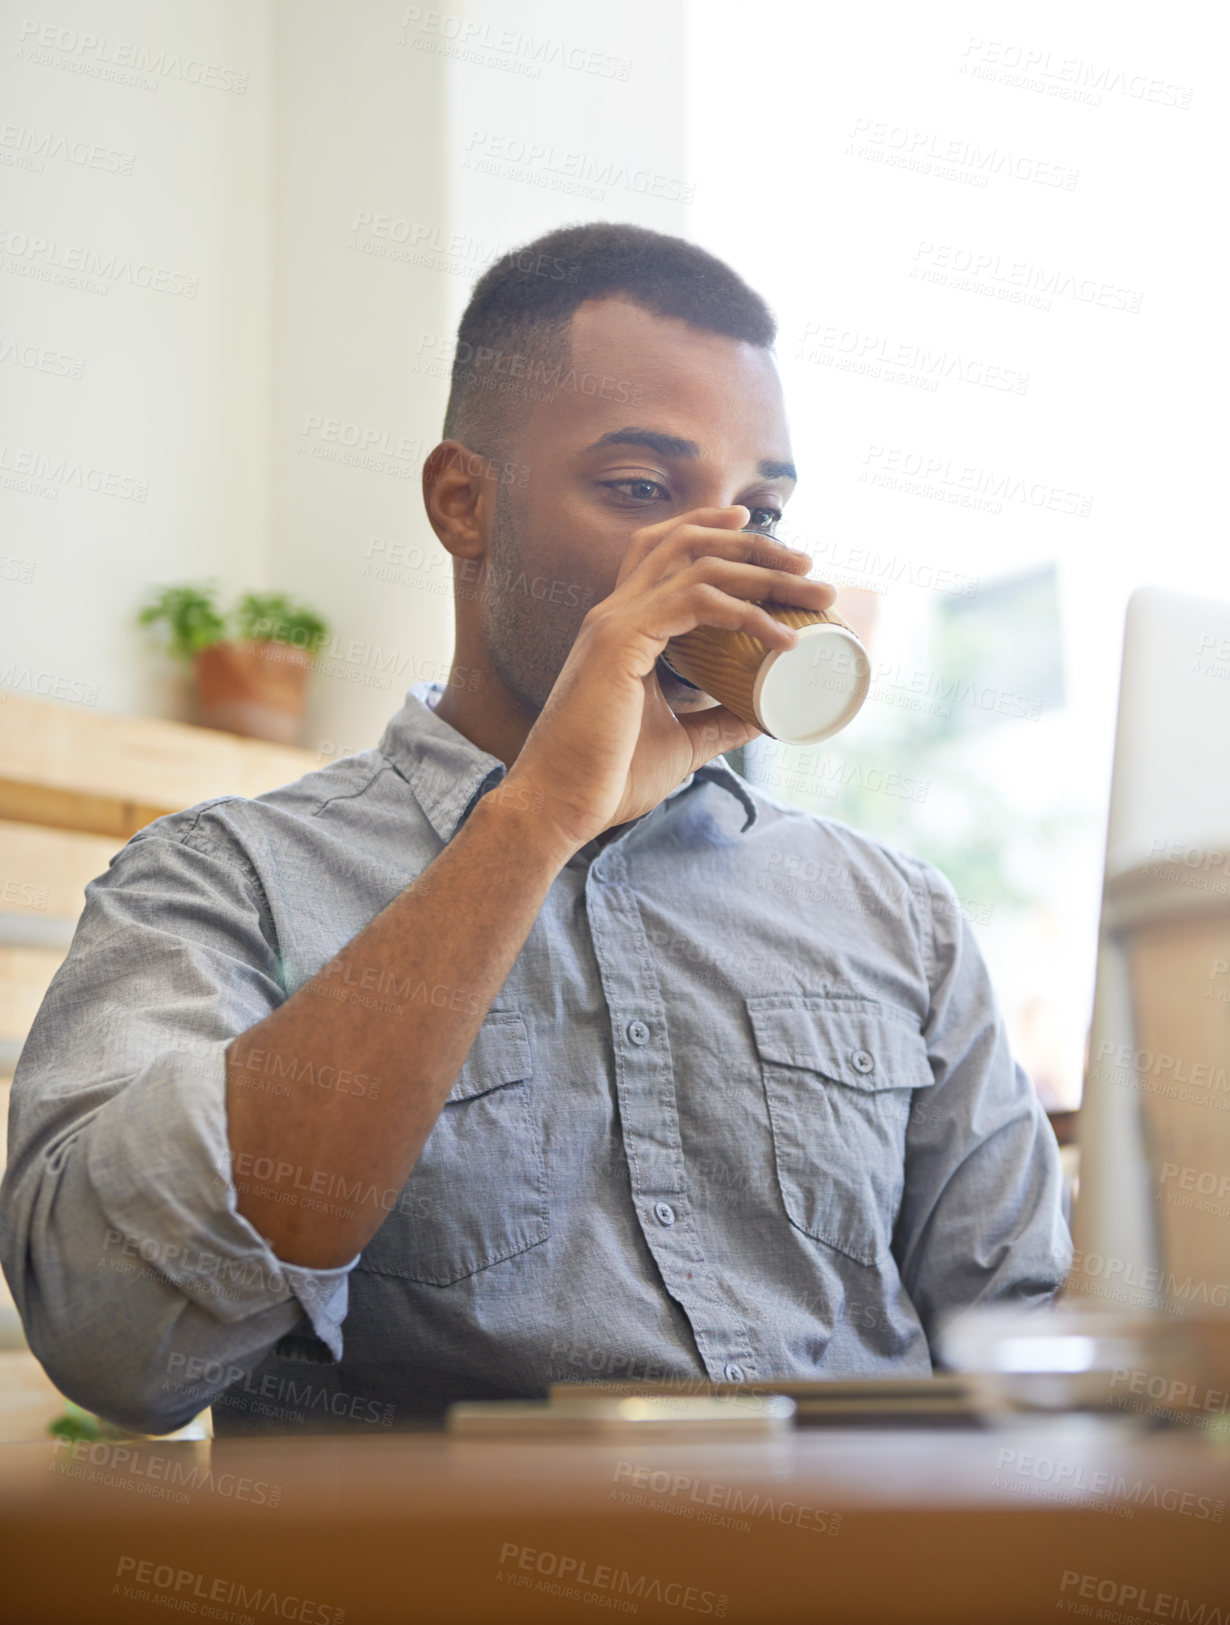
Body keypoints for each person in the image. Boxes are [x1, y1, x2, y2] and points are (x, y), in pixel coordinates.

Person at [0, 222, 1071, 1434]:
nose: (718, 563)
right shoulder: (226, 879)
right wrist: (537, 818)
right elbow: (118, 1338)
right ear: (465, 502)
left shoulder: (902, 914)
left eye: (757, 515)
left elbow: (1028, 1355)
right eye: (640, 491)